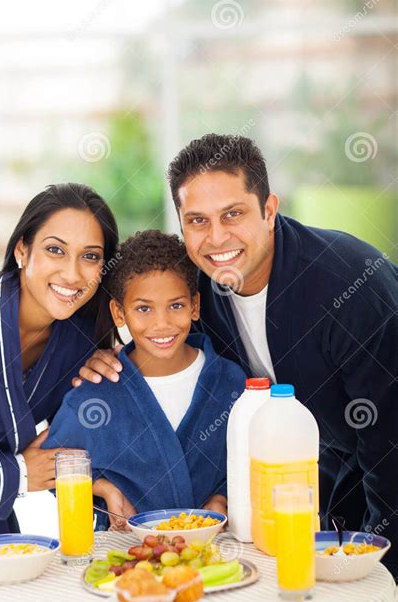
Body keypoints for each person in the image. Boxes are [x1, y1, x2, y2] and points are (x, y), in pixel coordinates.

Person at [77, 135, 398, 578]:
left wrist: (386, 573)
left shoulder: (351, 285)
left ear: (269, 210)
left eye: (233, 214)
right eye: (197, 220)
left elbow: (389, 441)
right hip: (324, 466)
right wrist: (114, 357)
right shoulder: (200, 293)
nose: (216, 237)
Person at [0, 182, 119, 593]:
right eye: (55, 250)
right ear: (21, 251)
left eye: (90, 257)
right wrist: (17, 474)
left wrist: (97, 488)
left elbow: (67, 445)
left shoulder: (79, 340)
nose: (72, 273)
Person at [43, 230, 247, 529]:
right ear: (119, 312)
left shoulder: (231, 382)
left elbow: (253, 462)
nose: (161, 324)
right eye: (143, 309)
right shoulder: (93, 395)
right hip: (126, 561)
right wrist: (104, 490)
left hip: (217, 555)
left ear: (195, 306)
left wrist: (222, 498)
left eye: (176, 305)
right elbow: (54, 469)